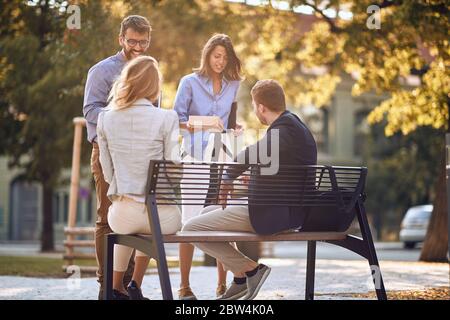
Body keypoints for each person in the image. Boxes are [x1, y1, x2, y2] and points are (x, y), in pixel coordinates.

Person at [183, 79, 318, 300]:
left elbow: (251, 152)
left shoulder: (284, 130)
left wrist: (228, 176)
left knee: (190, 229)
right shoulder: (294, 126)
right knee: (206, 214)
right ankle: (239, 278)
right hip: (287, 211)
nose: (255, 111)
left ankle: (250, 269)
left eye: (255, 107)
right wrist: (255, 176)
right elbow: (279, 170)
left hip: (275, 215)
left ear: (261, 107)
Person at [97, 56, 182, 300]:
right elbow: (173, 168)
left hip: (123, 215)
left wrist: (124, 192)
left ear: (127, 81)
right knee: (150, 218)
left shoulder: (105, 118)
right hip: (163, 218)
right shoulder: (167, 118)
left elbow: (107, 170)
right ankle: (133, 284)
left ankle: (116, 288)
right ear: (154, 85)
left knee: (128, 222)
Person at [83, 15, 152, 299]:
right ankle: (107, 287)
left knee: (135, 217)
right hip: (107, 152)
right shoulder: (101, 71)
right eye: (132, 40)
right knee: (107, 217)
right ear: (121, 39)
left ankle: (127, 287)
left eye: (143, 41)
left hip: (138, 155)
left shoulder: (150, 71)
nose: (137, 46)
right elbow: (90, 111)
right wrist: (124, 118)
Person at [173, 34, 243, 300]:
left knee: (222, 220)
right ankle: (184, 287)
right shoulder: (189, 82)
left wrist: (235, 129)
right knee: (189, 222)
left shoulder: (233, 84)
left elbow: (230, 122)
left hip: (222, 156)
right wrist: (205, 123)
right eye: (217, 56)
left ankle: (224, 285)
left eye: (225, 57)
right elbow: (176, 119)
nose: (220, 61)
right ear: (207, 55)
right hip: (194, 157)